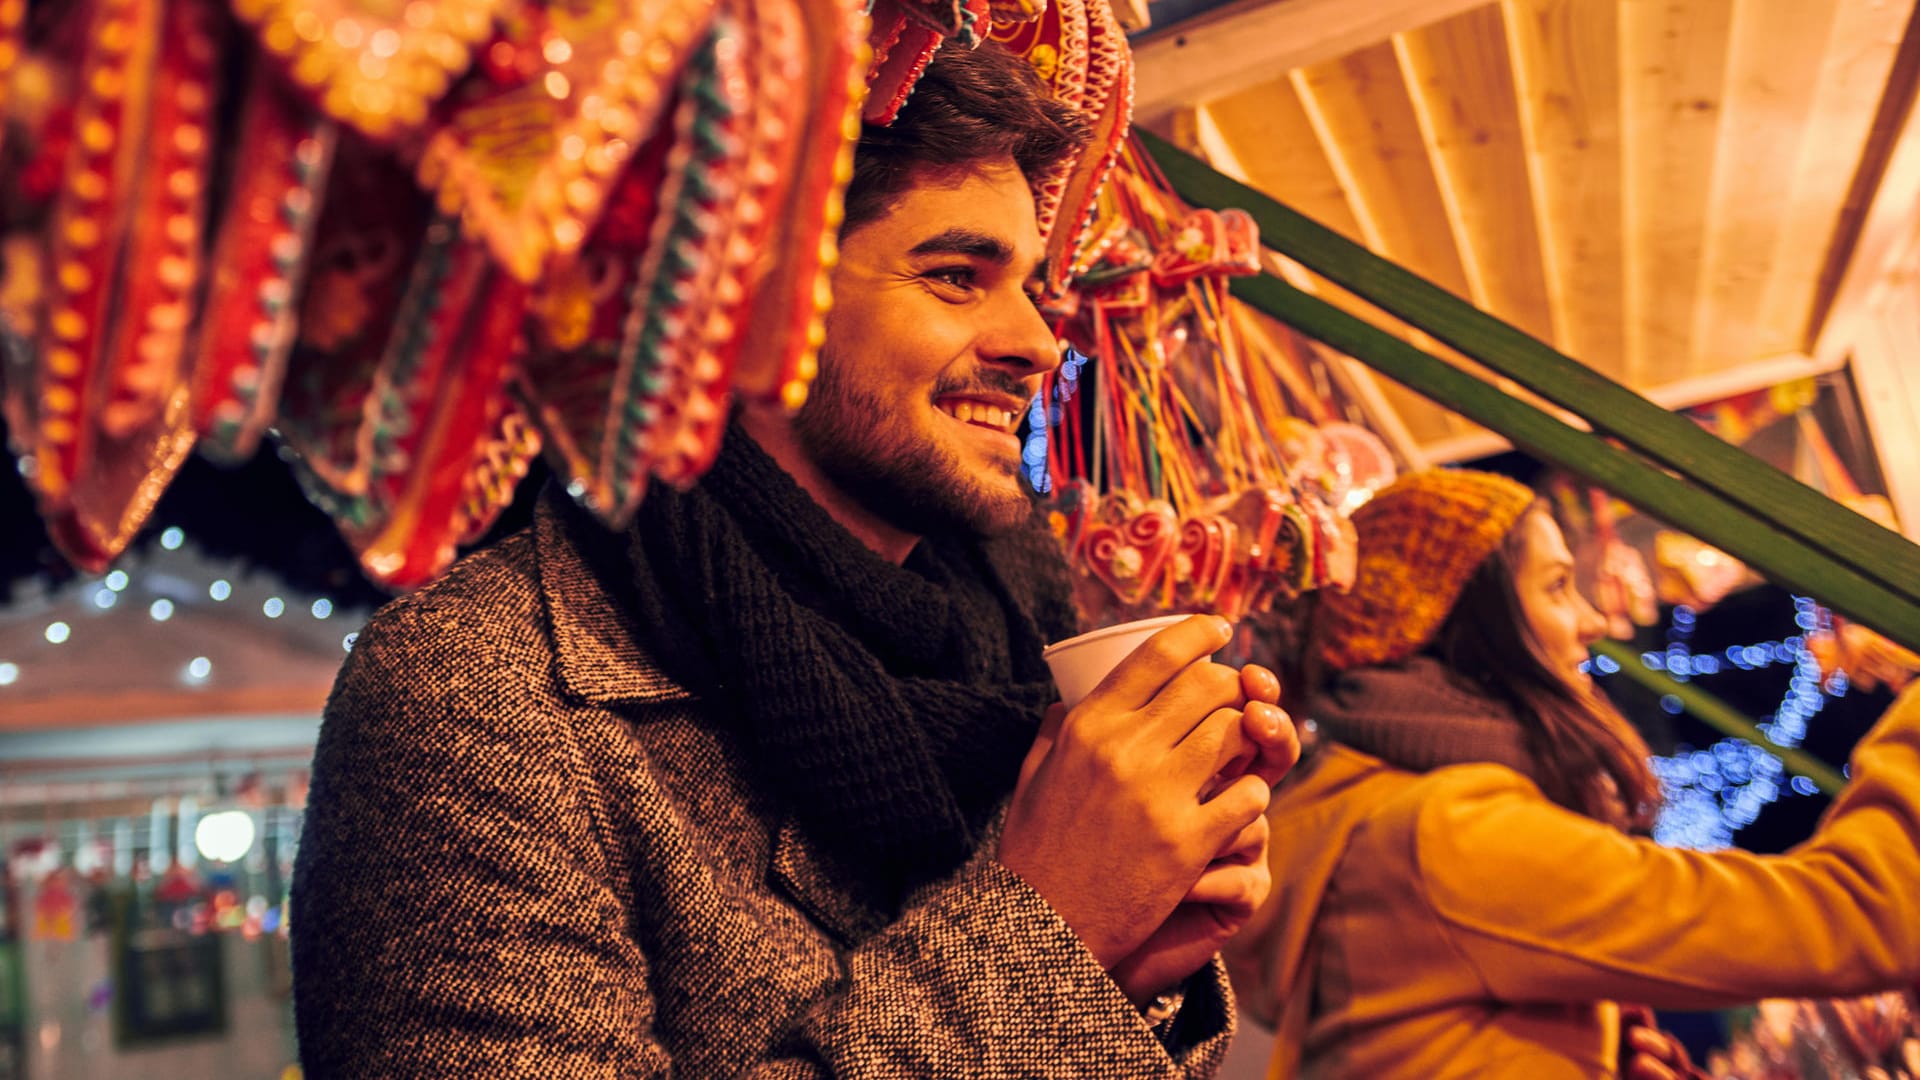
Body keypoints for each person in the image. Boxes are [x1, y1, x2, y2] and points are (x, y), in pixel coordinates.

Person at [290, 42, 1299, 1078]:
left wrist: (1132, 965)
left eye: (1031, 286)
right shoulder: (476, 695)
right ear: (751, 308)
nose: (1040, 340)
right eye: (956, 276)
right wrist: (1055, 928)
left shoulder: (1011, 641)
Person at [1222, 468, 1920, 1079]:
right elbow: (1863, 914)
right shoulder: (1449, 835)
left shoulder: (1379, 811)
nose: (1590, 620)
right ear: (1463, 631)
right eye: (1557, 588)